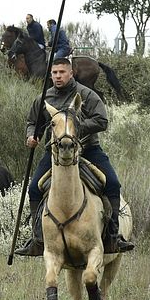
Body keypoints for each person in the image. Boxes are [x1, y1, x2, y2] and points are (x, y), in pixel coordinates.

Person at [15, 58, 134, 256]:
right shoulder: (44, 97)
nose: (58, 76)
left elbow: (102, 120)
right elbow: (32, 121)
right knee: (34, 188)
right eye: (54, 73)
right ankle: (37, 240)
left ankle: (113, 237)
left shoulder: (86, 94)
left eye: (62, 72)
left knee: (112, 183)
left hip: (88, 150)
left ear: (71, 73)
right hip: (54, 153)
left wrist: (72, 129)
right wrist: (31, 135)